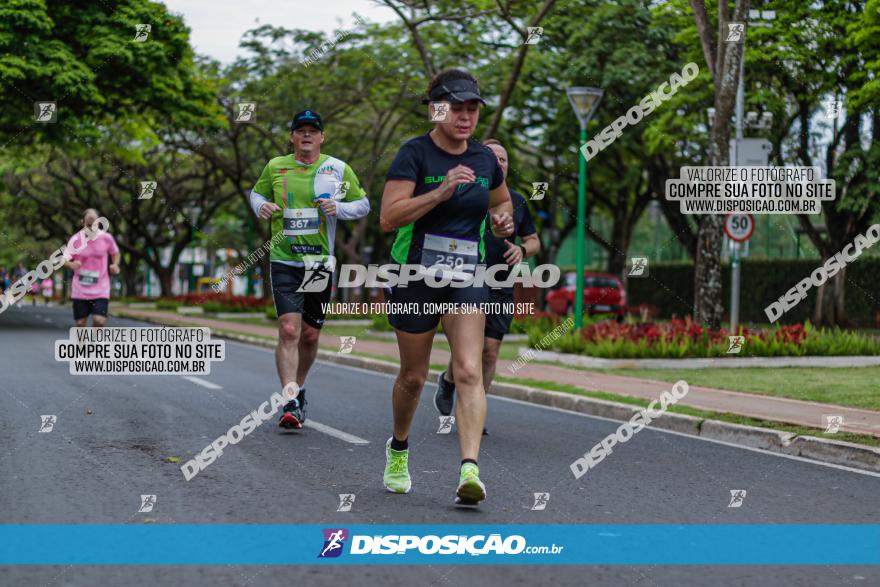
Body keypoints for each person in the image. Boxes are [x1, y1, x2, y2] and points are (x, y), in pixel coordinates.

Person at [379, 69, 514, 506]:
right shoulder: (413, 155)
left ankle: (469, 470)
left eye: (472, 108)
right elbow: (389, 217)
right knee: (413, 377)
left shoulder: (484, 160)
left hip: (467, 275)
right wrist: (440, 193)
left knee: (469, 370)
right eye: (456, 107)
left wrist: (502, 219)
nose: (465, 116)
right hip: (414, 275)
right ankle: (398, 448)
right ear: (436, 108)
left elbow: (501, 200)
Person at [249, 110, 370, 429]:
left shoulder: (337, 168)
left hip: (318, 263)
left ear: (321, 137)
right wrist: (261, 205)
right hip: (284, 258)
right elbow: (256, 192)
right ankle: (289, 398)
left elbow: (363, 204)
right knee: (290, 329)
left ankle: (299, 388)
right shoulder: (276, 166)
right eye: (300, 130)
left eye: (312, 131)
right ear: (291, 137)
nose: (306, 135)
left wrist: (339, 208)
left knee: (311, 334)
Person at [434, 139, 540, 433]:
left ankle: (473, 410)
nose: (499, 163)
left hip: (501, 283)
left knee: (490, 353)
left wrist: (523, 250)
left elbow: (534, 240)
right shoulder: (468, 195)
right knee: (468, 351)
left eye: (503, 159)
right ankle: (449, 381)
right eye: (493, 158)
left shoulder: (517, 201)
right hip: (466, 279)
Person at [63, 209, 120, 327]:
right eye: (89, 224)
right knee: (80, 323)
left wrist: (115, 264)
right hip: (80, 290)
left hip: (101, 289)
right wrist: (71, 264)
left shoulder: (106, 238)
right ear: (82, 222)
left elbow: (115, 253)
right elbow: (64, 259)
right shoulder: (76, 239)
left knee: (99, 320)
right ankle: (82, 346)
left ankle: (94, 344)